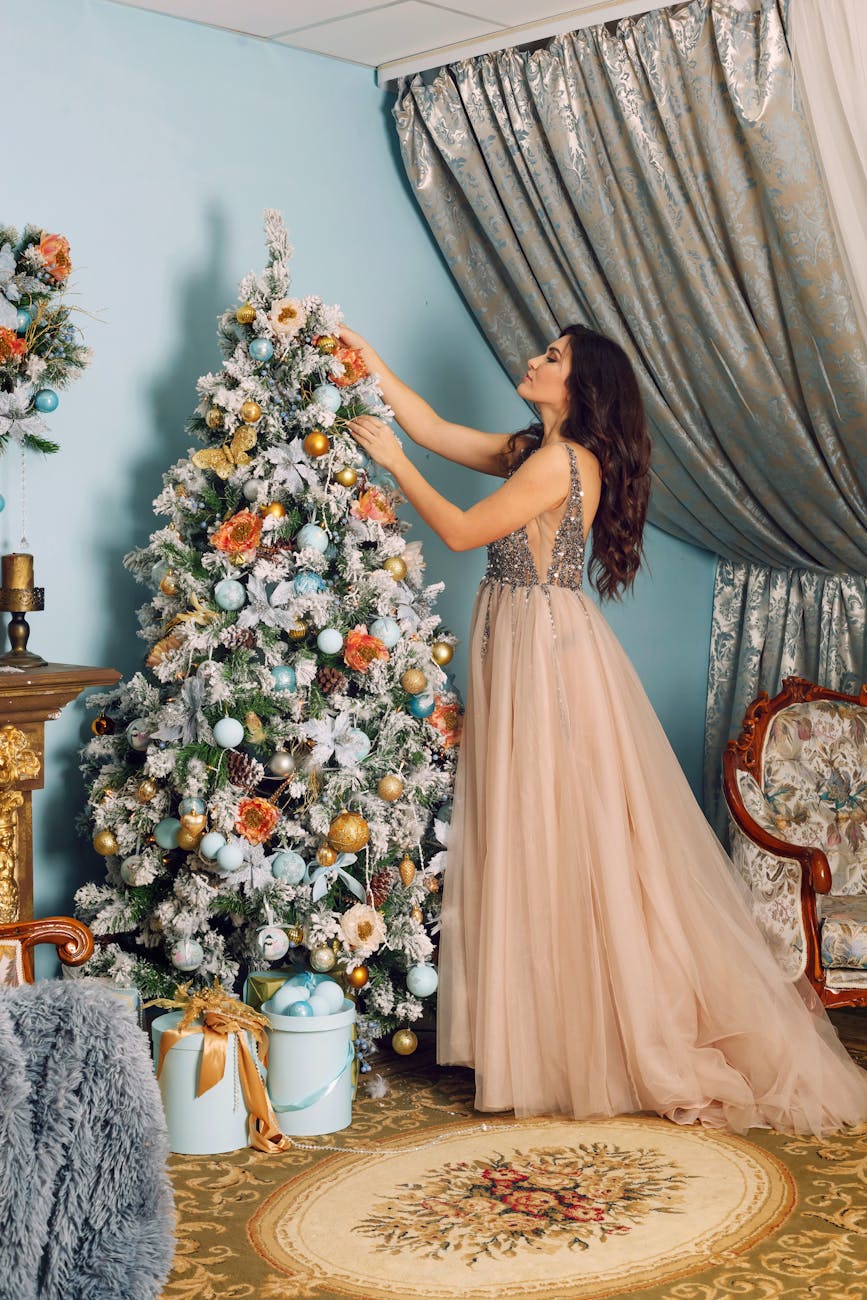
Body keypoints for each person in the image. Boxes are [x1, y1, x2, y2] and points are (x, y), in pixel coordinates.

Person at [341, 323, 867, 1136]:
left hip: (545, 654)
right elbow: (435, 426)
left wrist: (394, 465)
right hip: (526, 639)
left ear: (580, 386)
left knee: (560, 831)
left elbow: (458, 531)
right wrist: (362, 353)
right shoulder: (534, 448)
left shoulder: (561, 461)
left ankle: (587, 1039)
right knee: (541, 832)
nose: (532, 359)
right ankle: (546, 1037)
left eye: (550, 357)